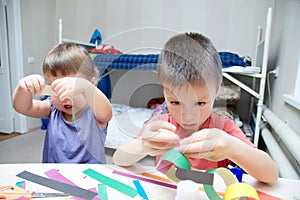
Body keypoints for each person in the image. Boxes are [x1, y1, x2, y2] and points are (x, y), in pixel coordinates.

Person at [113, 33, 278, 183]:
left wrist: (233, 149)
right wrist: (143, 145)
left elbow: (271, 175)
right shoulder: (160, 125)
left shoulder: (224, 128)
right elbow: (119, 159)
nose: (188, 117)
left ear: (217, 91)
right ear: (163, 91)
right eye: (175, 103)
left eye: (200, 103)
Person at [13, 42, 112, 164]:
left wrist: (86, 88)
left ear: (91, 85)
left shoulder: (95, 111)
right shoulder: (52, 108)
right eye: (56, 89)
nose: (65, 96)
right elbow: (23, 108)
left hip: (89, 177)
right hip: (54, 174)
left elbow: (107, 114)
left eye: (74, 88)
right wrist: (23, 88)